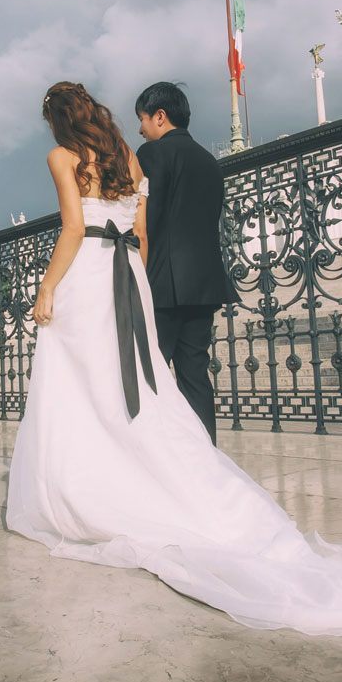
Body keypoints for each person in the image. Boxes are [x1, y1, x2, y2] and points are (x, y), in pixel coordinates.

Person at [4, 83, 342, 636]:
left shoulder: (62, 156)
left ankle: (89, 479)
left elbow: (71, 229)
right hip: (141, 274)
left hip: (92, 274)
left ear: (57, 121)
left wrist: (45, 290)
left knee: (86, 382)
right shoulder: (135, 157)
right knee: (155, 378)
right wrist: (135, 281)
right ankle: (185, 464)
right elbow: (138, 233)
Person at [133, 82, 238, 443]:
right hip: (204, 283)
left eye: (143, 119)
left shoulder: (151, 155)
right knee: (195, 374)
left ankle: (157, 458)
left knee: (150, 374)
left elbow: (144, 221)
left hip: (162, 284)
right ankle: (205, 456)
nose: (141, 129)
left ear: (160, 117)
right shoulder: (209, 161)